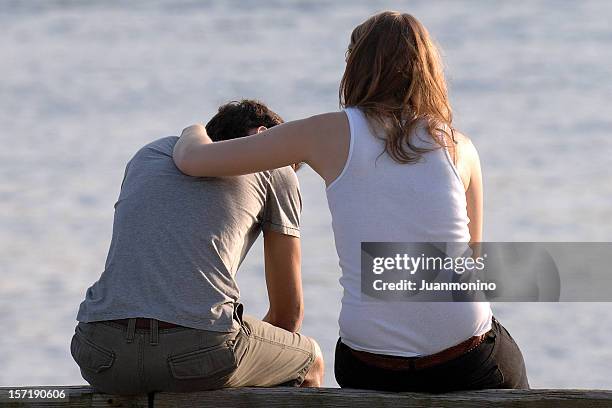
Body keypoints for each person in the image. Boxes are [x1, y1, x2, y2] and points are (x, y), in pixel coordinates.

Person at [172, 12, 529, 392]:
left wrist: (192, 129)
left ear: (356, 67)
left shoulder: (326, 132)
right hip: (463, 359)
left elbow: (193, 161)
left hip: (370, 362)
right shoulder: (460, 147)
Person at [72, 100, 324, 395]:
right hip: (198, 351)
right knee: (310, 361)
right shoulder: (275, 164)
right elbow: (287, 316)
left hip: (99, 350)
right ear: (262, 135)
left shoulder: (149, 155)